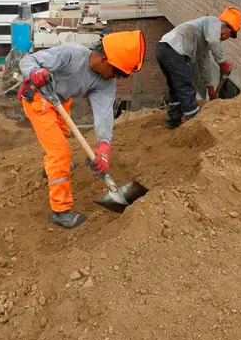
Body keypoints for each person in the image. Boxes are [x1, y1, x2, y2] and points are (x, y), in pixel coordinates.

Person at [18, 30, 146, 229]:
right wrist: (35, 72)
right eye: (118, 72)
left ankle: (50, 169)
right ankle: (60, 212)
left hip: (61, 100)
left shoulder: (106, 83)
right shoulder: (72, 54)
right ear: (104, 59)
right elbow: (27, 61)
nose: (117, 78)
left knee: (61, 141)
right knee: (60, 153)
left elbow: (104, 116)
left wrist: (104, 147)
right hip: (39, 99)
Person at [156, 7, 241, 129]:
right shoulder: (213, 21)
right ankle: (196, 124)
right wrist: (223, 63)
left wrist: (210, 87)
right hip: (174, 51)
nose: (225, 39)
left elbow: (204, 65)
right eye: (229, 35)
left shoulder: (205, 39)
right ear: (228, 28)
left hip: (163, 50)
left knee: (176, 89)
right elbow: (214, 40)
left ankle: (172, 122)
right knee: (186, 87)